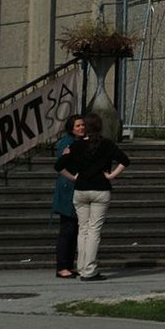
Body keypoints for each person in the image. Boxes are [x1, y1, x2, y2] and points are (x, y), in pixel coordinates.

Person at [54, 113, 130, 281]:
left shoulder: (76, 145)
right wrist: (111, 176)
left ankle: (81, 267)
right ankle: (90, 270)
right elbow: (125, 160)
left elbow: (59, 166)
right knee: (94, 230)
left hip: (80, 190)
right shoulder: (106, 144)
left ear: (86, 128)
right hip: (100, 189)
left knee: (83, 229)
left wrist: (73, 177)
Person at [52, 114, 85, 278]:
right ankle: (62, 266)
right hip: (68, 189)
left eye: (83, 125)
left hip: (75, 188)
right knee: (68, 229)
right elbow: (61, 164)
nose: (82, 128)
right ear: (71, 128)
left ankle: (68, 265)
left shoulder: (78, 142)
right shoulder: (67, 143)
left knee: (73, 229)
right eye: (78, 126)